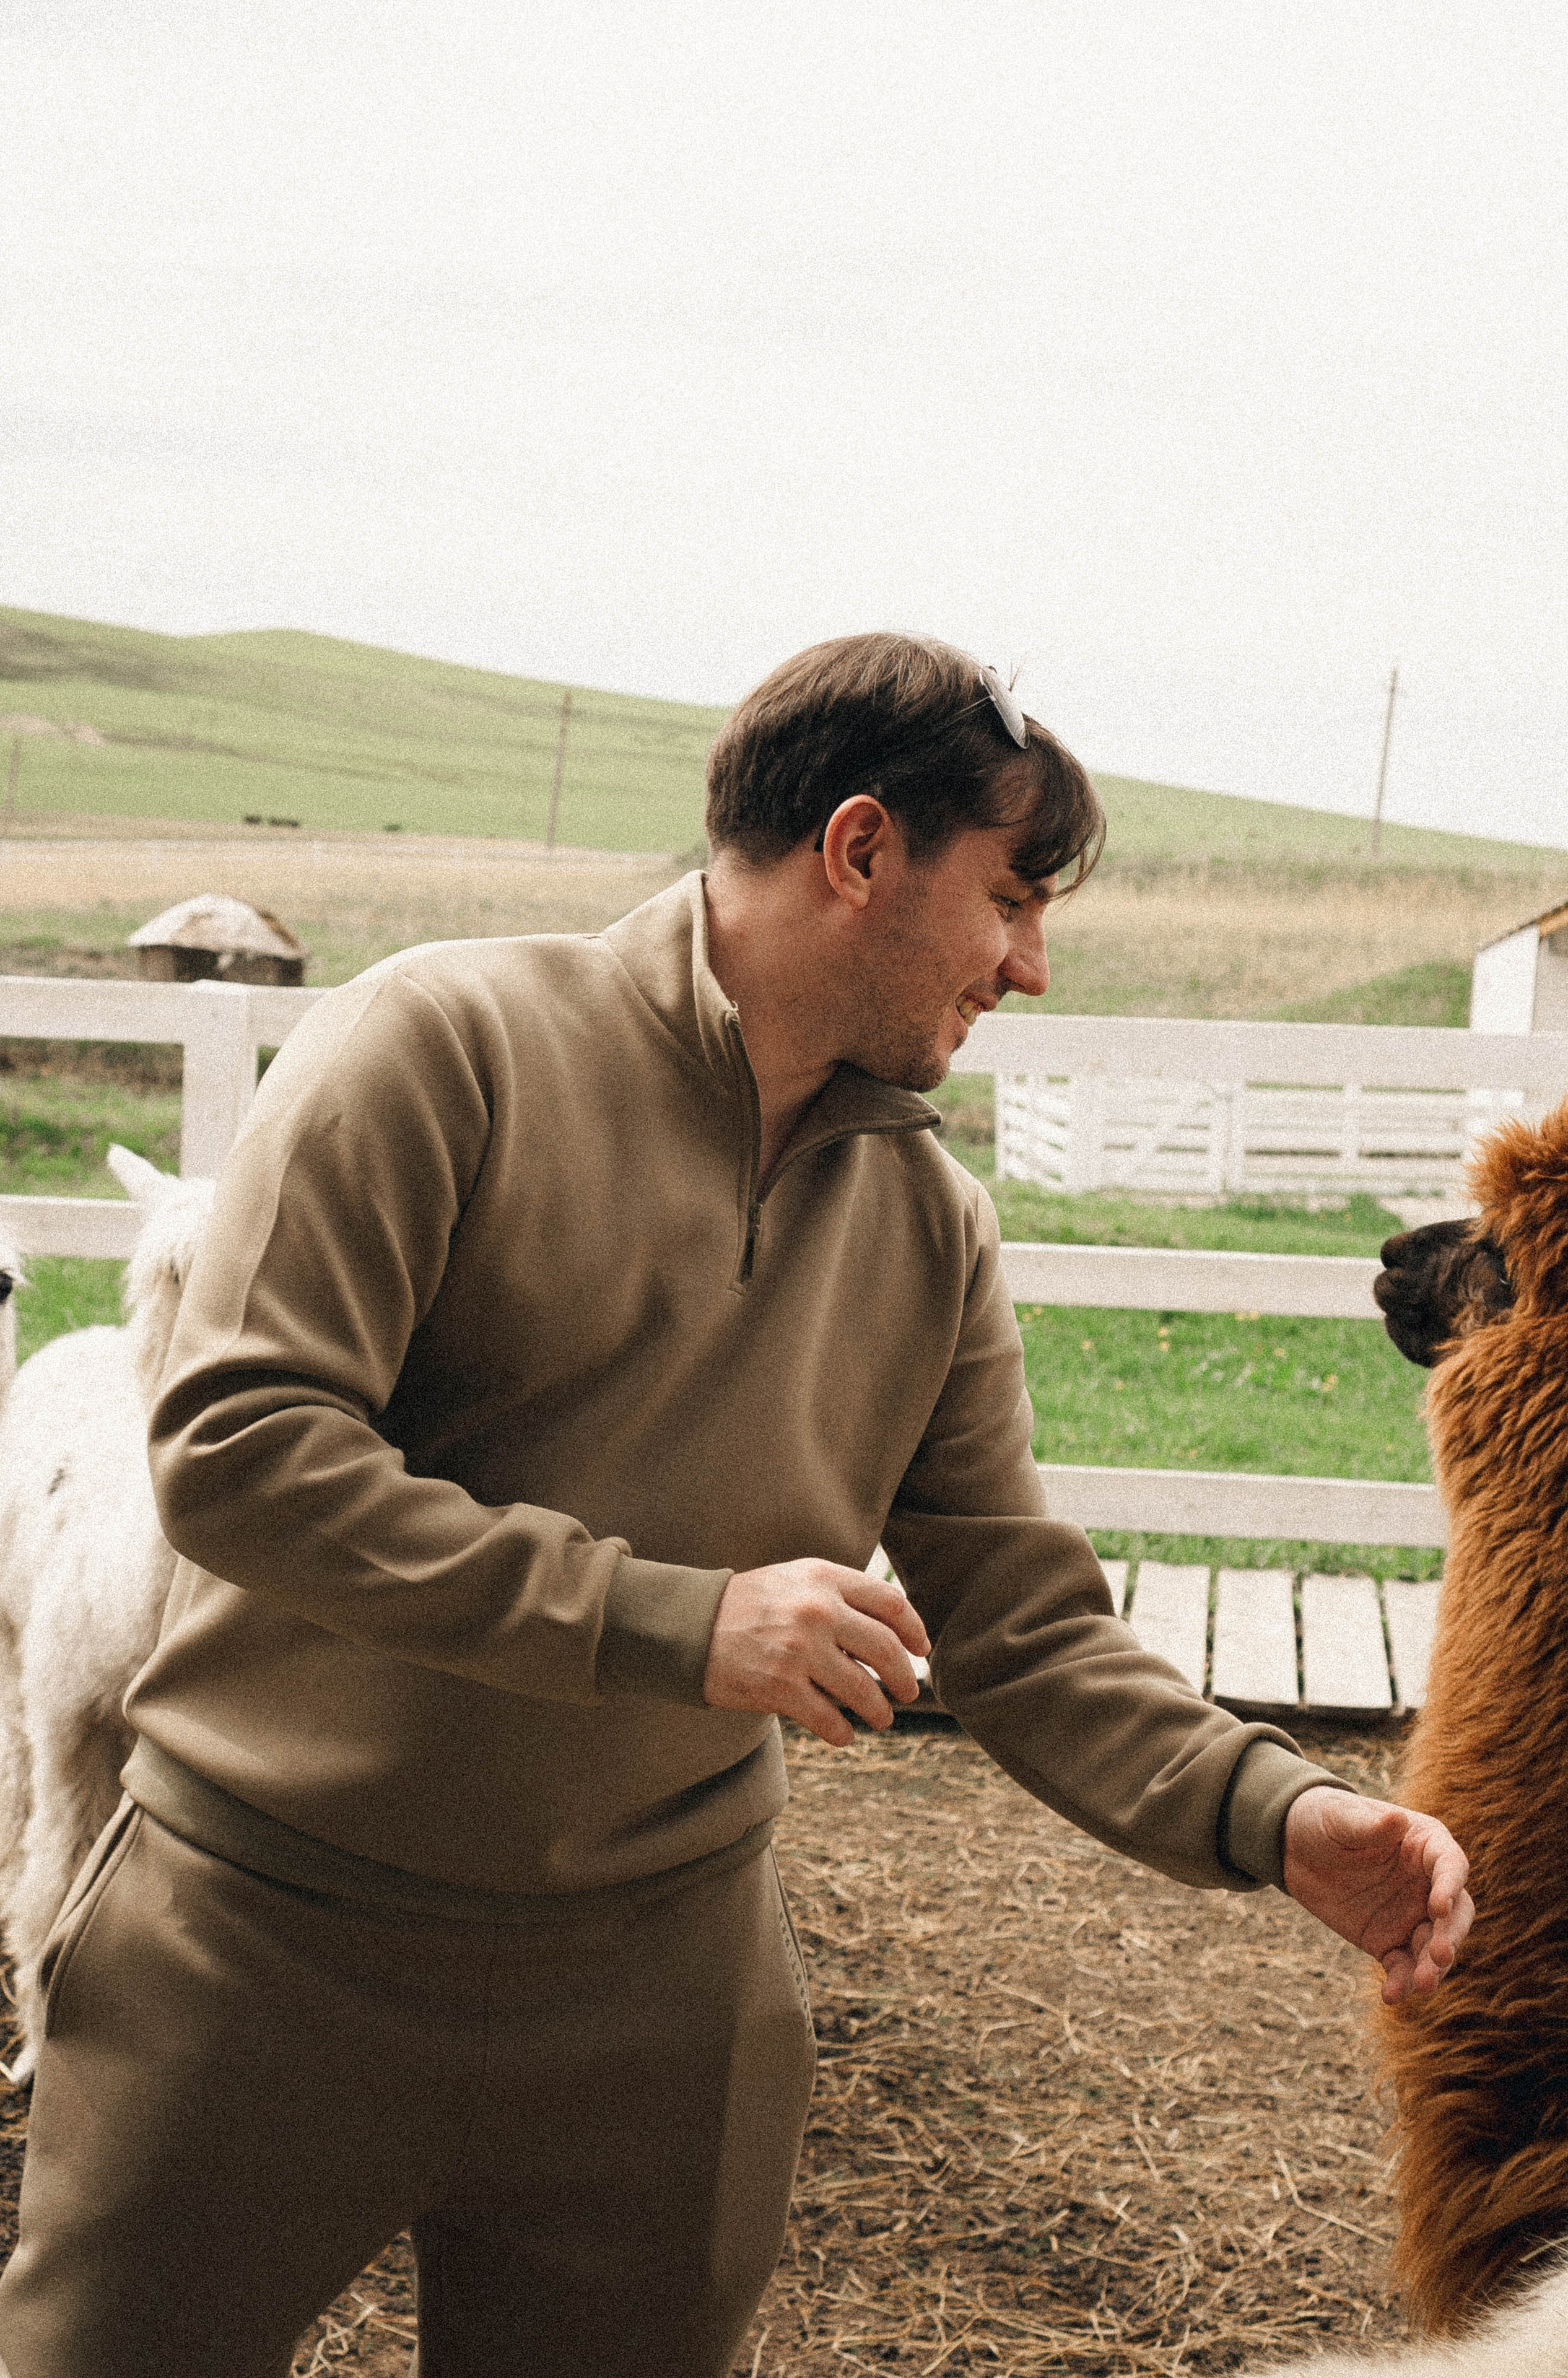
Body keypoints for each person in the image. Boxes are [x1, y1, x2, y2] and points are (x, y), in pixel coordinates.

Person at [0, 633, 1471, 2378]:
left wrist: (1273, 1814)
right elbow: (245, 1452)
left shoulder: (934, 1230)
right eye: (1010, 898)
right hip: (259, 1957)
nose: (1034, 967)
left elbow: (1019, 1625)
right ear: (859, 852)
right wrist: (683, 1622)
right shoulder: (434, 1048)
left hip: (663, 2016)